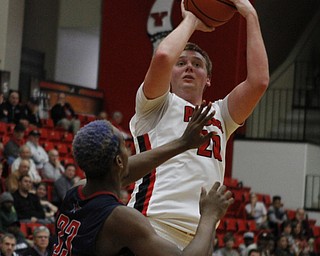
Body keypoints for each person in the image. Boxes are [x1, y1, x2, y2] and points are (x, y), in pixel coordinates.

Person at [128, 0, 269, 247]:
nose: (189, 68)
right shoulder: (155, 106)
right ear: (171, 72)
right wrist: (192, 19)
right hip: (153, 223)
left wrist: (250, 14)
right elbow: (162, 56)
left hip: (201, 234)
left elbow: (258, 82)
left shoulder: (221, 115)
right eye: (181, 63)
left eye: (197, 64)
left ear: (209, 79)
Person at [52, 104, 234, 255]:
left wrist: (183, 143)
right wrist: (209, 216)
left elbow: (128, 171)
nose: (129, 150)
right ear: (119, 161)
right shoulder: (122, 219)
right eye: (125, 146)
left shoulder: (76, 191)